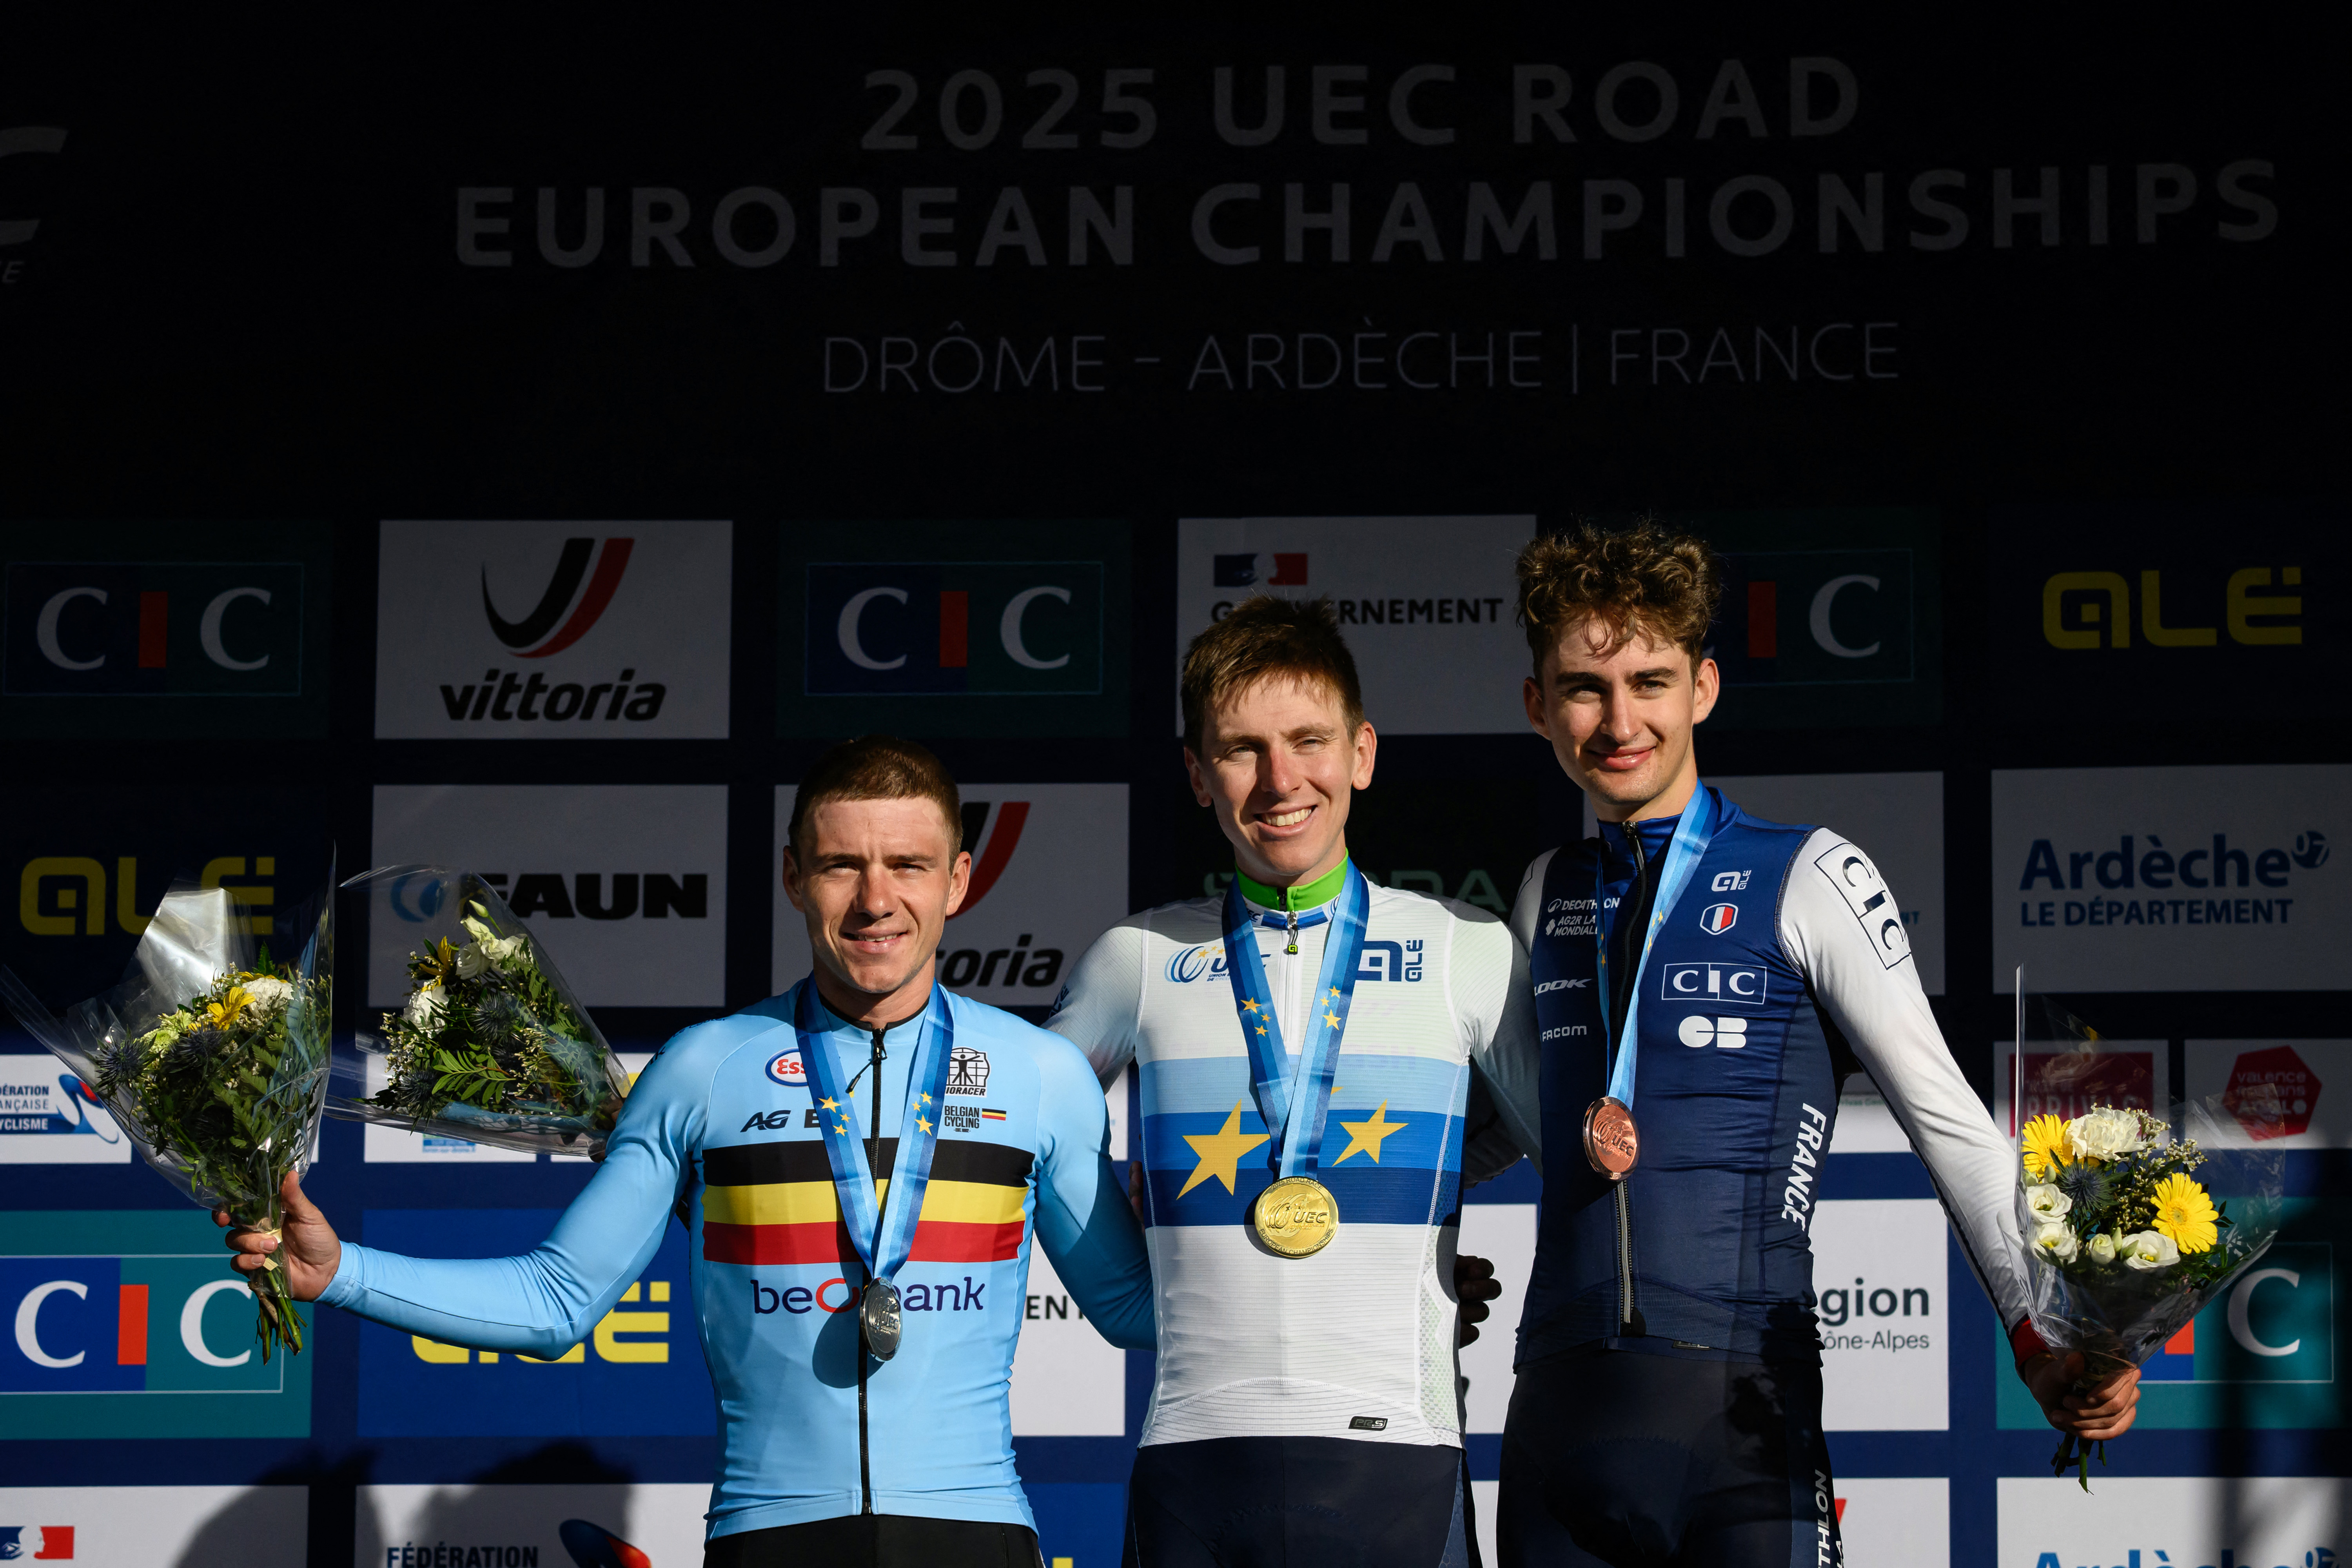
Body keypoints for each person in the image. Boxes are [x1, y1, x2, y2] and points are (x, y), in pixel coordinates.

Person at [220, 735, 1153, 1568]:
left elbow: (1129, 1306)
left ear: (958, 880)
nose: (877, 899)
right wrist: (341, 1270)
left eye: (908, 864)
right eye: (842, 864)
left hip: (976, 1531)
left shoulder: (1041, 1075)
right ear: (793, 876)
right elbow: (557, 1300)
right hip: (771, 1533)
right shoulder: (706, 1068)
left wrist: (1243, 1229)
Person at [1489, 523, 2140, 1567]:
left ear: (1703, 688)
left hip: (1742, 1414)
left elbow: (1947, 1120)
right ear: (1537, 705)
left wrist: (2038, 1330)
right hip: (1557, 1419)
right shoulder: (1543, 890)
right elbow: (1506, 1120)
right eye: (1584, 689)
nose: (1620, 721)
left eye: (1650, 682)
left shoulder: (1809, 873)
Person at [1046, 595, 1535, 1568]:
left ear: (1362, 752)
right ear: (1198, 774)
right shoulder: (1137, 957)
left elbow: (1567, 1150)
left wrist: (1420, 1231)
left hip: (1402, 1466)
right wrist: (1127, 1295)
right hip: (1194, 1465)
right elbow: (1029, 1124)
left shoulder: (1466, 947)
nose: (1280, 780)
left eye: (1309, 740)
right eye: (1242, 749)